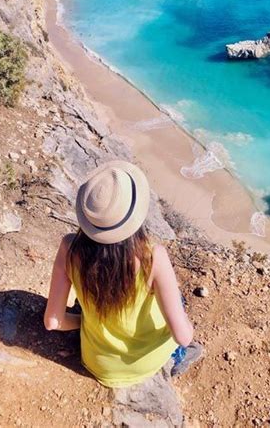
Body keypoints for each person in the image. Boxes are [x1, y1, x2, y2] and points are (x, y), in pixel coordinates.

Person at [44, 160, 202, 387]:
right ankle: (176, 358)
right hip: (145, 364)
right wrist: (187, 324)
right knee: (179, 300)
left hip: (98, 364)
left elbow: (53, 322)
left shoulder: (69, 249)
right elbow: (183, 337)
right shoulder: (152, 257)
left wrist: (85, 322)